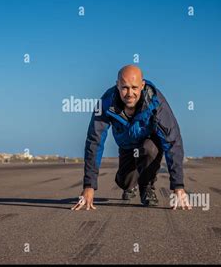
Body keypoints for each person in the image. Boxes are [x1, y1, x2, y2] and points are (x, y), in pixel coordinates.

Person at [72, 65, 191, 210]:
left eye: (134, 87)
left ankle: (146, 187)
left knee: (150, 149)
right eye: (125, 87)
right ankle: (129, 185)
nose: (130, 93)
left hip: (148, 143)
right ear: (117, 85)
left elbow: (173, 142)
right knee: (125, 181)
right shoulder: (106, 103)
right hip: (126, 146)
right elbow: (94, 141)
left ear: (142, 85)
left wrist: (178, 186)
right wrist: (89, 186)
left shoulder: (156, 103)